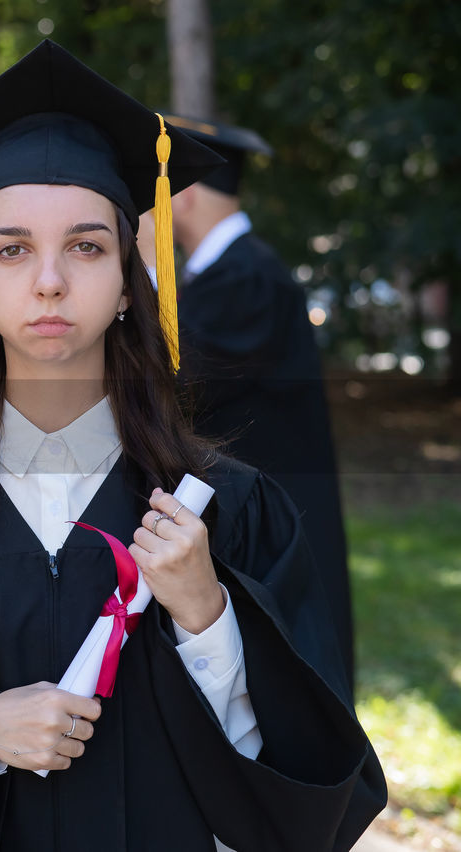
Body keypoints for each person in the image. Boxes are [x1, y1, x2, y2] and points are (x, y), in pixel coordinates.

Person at [0, 40, 385, 851]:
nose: (49, 279)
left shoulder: (227, 514)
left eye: (86, 246)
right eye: (13, 249)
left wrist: (209, 620)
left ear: (128, 282)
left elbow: (315, 801)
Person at [163, 113, 355, 690]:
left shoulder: (244, 278)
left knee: (288, 679)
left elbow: (178, 385)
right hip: (261, 508)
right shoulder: (232, 273)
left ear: (185, 194)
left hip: (274, 523)